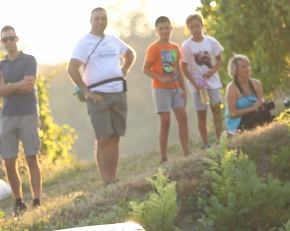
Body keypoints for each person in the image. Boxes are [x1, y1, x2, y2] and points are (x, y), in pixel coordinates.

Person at [67, 7, 135, 185]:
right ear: (90, 21)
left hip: (118, 92)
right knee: (103, 138)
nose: (100, 22)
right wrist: (86, 91)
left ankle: (113, 176)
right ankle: (106, 179)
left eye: (103, 18)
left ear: (106, 21)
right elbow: (72, 69)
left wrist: (123, 71)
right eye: (97, 18)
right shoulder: (84, 43)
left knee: (115, 137)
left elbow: (130, 54)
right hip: (98, 96)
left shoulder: (112, 40)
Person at [0, 25, 42, 213]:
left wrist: (8, 86)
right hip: (7, 116)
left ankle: (37, 200)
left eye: (11, 38)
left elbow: (28, 86)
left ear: (16, 39)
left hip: (28, 113)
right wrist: (17, 85)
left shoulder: (29, 60)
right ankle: (19, 201)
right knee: (8, 161)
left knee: (31, 157)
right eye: (5, 39)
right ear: (1, 42)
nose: (9, 42)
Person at [142, 16, 190, 161]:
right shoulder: (154, 48)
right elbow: (146, 69)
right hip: (161, 89)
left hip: (176, 88)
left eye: (166, 28)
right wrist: (161, 78)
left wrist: (183, 89)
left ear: (171, 29)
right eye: (161, 29)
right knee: (166, 121)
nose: (164, 31)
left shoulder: (175, 47)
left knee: (183, 117)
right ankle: (163, 156)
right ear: (156, 31)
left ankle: (187, 152)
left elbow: (178, 70)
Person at [180, 13, 225, 149]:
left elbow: (220, 60)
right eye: (192, 27)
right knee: (201, 113)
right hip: (197, 85)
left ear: (202, 26)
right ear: (188, 29)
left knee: (216, 110)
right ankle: (206, 143)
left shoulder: (211, 42)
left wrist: (212, 71)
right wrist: (195, 84)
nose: (195, 29)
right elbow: (183, 67)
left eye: (197, 26)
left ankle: (220, 139)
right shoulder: (187, 46)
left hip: (212, 82)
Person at [225, 55, 273, 135]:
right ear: (235, 70)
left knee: (265, 113)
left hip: (253, 115)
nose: (248, 69)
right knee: (261, 116)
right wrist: (252, 108)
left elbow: (260, 102)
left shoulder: (256, 83)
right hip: (238, 121)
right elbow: (231, 114)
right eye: (243, 67)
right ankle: (234, 133)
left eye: (248, 66)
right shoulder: (232, 88)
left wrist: (262, 105)